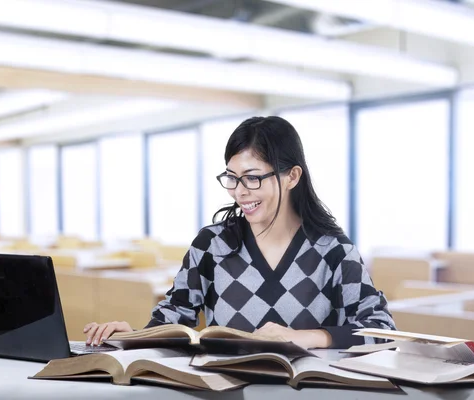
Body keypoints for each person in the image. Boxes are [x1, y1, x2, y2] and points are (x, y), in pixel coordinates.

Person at [84, 116, 395, 349]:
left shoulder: (334, 250)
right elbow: (176, 316)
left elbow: (382, 330)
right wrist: (135, 335)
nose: (240, 192)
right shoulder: (211, 245)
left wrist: (302, 338)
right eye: (232, 178)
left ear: (292, 177)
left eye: (252, 178)